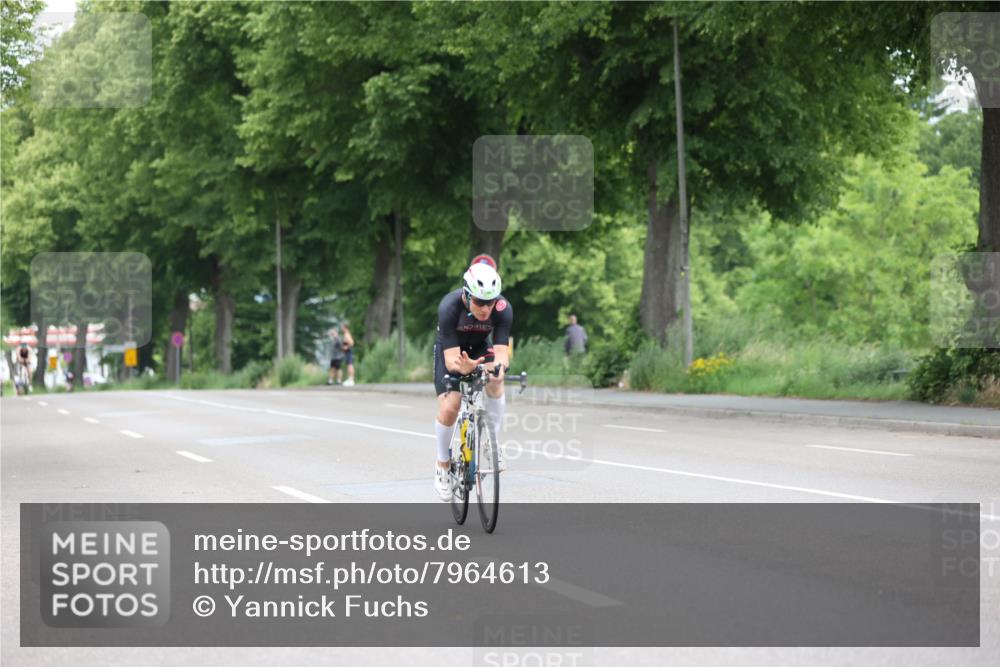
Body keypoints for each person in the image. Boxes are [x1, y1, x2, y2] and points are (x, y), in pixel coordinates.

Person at [432, 258, 511, 500]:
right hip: (452, 350)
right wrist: (464, 368)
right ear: (466, 295)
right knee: (451, 405)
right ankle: (442, 465)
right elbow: (451, 361)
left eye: (490, 302)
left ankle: (492, 443)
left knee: (496, 380)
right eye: (479, 302)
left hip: (480, 349)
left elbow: (501, 354)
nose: (485, 309)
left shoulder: (503, 309)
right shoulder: (449, 306)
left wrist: (498, 368)